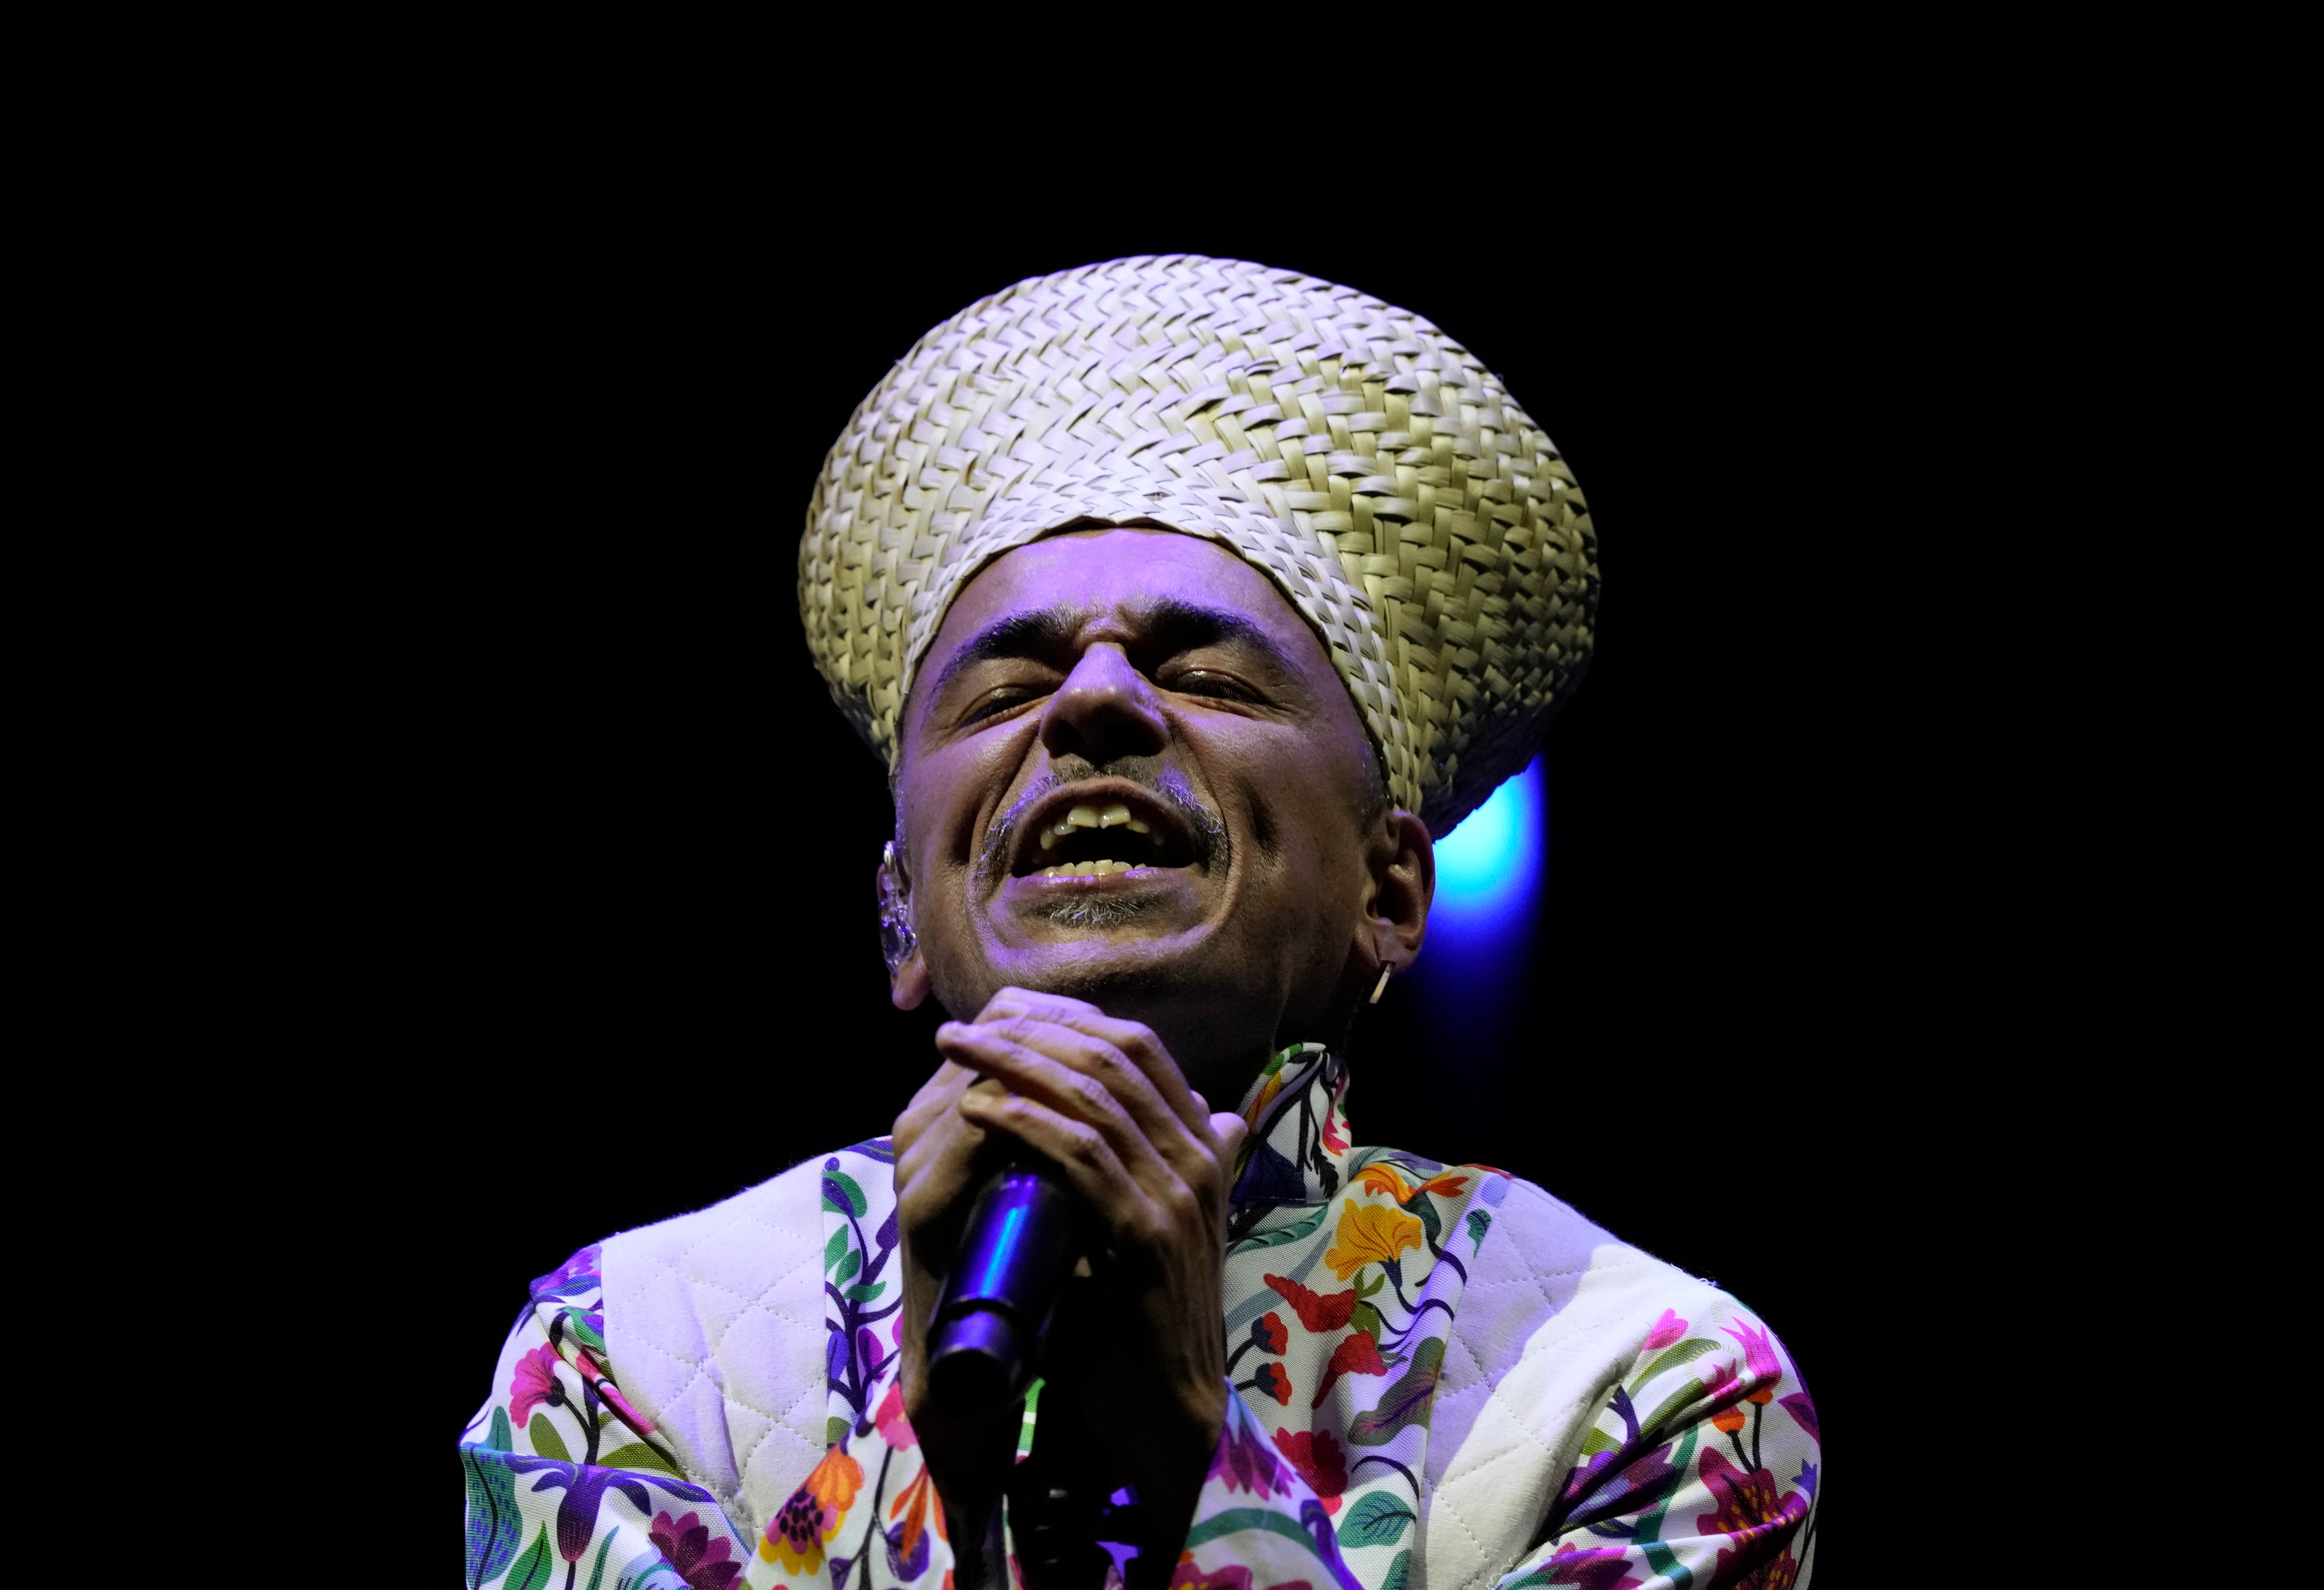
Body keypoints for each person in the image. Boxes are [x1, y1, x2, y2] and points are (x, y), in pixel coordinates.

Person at [460, 257, 1820, 1590]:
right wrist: (924, 1460)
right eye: (1005, 692)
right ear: (899, 913)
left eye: (1208, 675)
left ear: (1391, 893)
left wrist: (1200, 1460)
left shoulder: (1646, 1389)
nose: (1094, 702)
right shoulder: (619, 1356)